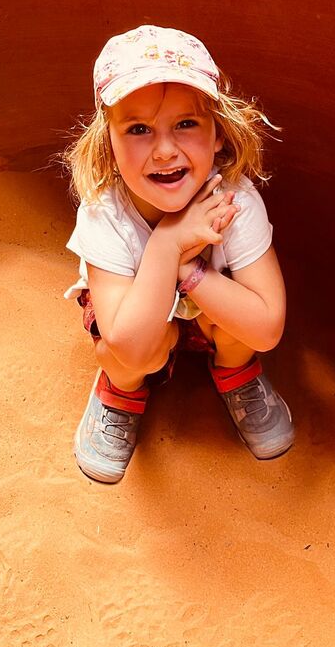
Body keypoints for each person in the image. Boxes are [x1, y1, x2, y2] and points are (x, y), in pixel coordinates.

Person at [63, 24, 294, 483]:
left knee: (239, 326)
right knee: (121, 355)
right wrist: (168, 243)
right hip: (143, 331)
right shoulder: (104, 214)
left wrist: (187, 268)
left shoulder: (233, 202)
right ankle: (120, 393)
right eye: (138, 129)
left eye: (185, 124)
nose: (165, 150)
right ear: (107, 145)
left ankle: (236, 372)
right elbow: (129, 342)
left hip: (212, 317)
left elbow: (266, 326)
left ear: (219, 135)